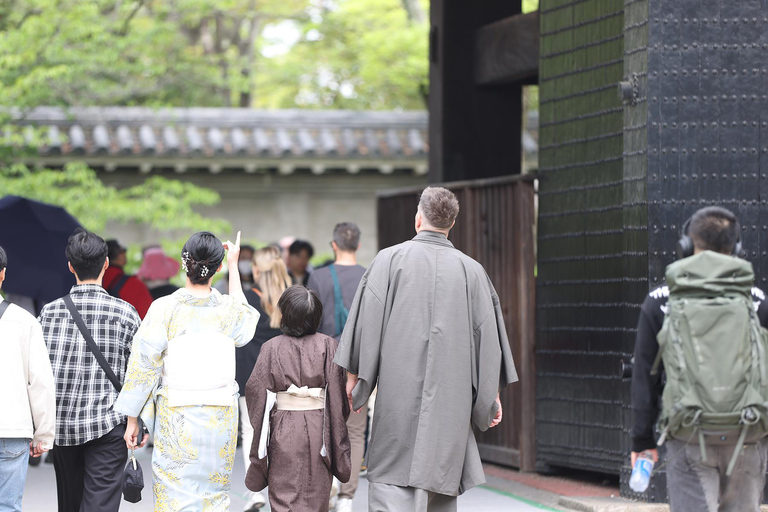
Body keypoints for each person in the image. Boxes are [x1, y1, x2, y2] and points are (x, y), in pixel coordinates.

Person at [335, 187, 517, 511]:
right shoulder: (472, 272)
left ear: (418, 218)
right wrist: (491, 397)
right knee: (440, 480)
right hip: (450, 405)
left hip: (396, 398)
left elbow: (366, 327)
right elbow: (487, 344)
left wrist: (355, 379)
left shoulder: (388, 261)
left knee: (392, 478)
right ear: (453, 223)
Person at [631, 206, 768, 511]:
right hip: (748, 434)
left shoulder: (660, 302)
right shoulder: (757, 301)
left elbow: (645, 376)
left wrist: (642, 441)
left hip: (689, 434)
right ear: (737, 250)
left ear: (686, 246)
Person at [114, 231, 259, 511]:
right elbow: (246, 323)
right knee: (214, 498)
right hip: (219, 417)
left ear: (184, 262)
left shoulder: (164, 308)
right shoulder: (228, 310)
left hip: (177, 416)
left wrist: (133, 419)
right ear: (217, 267)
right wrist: (234, 265)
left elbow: (143, 367)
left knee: (173, 497)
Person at [39, 229, 141, 512]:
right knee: (100, 506)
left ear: (70, 266)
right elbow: (140, 374)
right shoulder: (126, 313)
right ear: (106, 264)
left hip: (63, 427)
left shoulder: (48, 313)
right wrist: (138, 419)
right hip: (109, 426)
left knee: (69, 505)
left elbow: (37, 374)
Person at [244, 285, 351, 511]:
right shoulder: (329, 345)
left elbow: (254, 392)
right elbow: (339, 396)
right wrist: (337, 429)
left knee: (284, 493)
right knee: (317, 492)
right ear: (317, 316)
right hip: (319, 426)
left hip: (284, 426)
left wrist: (265, 421)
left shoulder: (271, 348)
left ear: (284, 314)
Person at [308, 222, 367, 512]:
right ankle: (347, 497)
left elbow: (309, 323)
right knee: (354, 430)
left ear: (333, 245)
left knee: (322, 426)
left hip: (325, 360)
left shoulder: (318, 277)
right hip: (361, 362)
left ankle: (327, 485)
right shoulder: (371, 277)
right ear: (357, 245)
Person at [0, 246, 56, 512]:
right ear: (2, 275)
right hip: (12, 430)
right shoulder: (25, 321)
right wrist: (43, 434)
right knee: (8, 506)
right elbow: (41, 383)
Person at [236, 246, 291, 512]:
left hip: (249, 374)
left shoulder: (247, 297)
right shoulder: (290, 299)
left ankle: (254, 492)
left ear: (256, 270)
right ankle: (281, 489)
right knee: (281, 434)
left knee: (250, 432)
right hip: (283, 374)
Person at [103, 239, 153, 318]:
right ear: (119, 255)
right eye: (123, 250)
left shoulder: (90, 282)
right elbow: (149, 319)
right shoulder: (134, 285)